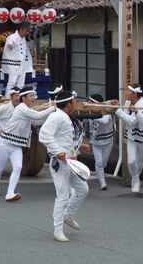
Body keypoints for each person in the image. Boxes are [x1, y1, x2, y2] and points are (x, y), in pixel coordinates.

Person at [0, 86, 56, 201]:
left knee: (18, 167)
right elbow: (38, 115)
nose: (33, 98)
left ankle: (10, 193)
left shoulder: (27, 110)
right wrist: (52, 108)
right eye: (31, 96)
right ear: (23, 98)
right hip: (5, 143)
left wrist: (52, 115)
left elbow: (37, 121)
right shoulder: (21, 108)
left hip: (16, 146)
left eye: (33, 95)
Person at [39, 91, 90, 243]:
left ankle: (68, 215)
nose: (75, 103)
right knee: (62, 195)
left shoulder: (67, 117)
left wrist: (79, 147)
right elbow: (44, 135)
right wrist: (57, 151)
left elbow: (66, 140)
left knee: (83, 189)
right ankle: (58, 230)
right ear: (68, 104)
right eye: (74, 101)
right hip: (60, 162)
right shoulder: (56, 116)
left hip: (71, 161)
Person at [113, 84, 143, 194]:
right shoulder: (127, 103)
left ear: (135, 94)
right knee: (131, 161)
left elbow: (131, 121)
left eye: (129, 91)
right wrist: (119, 108)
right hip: (131, 137)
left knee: (139, 163)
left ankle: (136, 178)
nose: (126, 93)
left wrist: (118, 110)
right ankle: (136, 179)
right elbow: (125, 117)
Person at [87, 94, 117, 190]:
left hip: (107, 141)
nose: (89, 103)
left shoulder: (106, 111)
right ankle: (102, 183)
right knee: (99, 162)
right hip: (95, 141)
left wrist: (90, 115)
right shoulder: (89, 111)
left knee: (104, 163)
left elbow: (104, 121)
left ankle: (101, 175)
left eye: (91, 101)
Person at [1, 22, 33, 97]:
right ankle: (7, 98)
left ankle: (18, 98)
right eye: (26, 30)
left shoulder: (23, 39)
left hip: (22, 64)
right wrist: (10, 45)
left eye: (28, 31)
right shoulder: (12, 37)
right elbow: (10, 42)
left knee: (20, 84)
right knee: (12, 83)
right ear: (21, 29)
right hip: (13, 65)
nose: (27, 33)